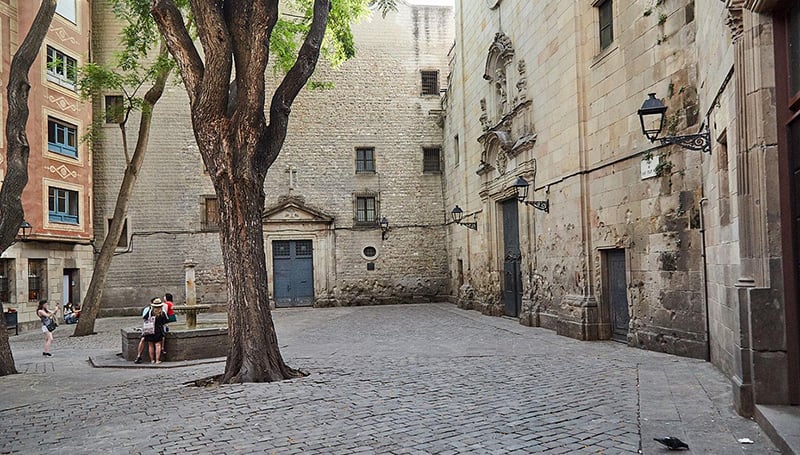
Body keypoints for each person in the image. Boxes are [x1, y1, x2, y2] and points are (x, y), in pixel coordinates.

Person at [143, 299, 169, 364]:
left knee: (150, 345)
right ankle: (157, 360)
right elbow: (165, 322)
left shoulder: (150, 312)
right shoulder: (162, 313)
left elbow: (144, 318)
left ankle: (152, 360)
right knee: (158, 345)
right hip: (158, 330)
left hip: (150, 330)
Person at [134, 297, 158, 364]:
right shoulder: (148, 309)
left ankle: (153, 359)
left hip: (155, 328)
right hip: (149, 327)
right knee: (143, 339)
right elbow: (144, 317)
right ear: (151, 303)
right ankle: (139, 355)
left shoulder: (160, 308)